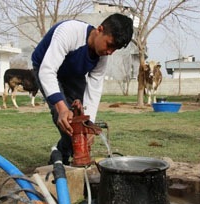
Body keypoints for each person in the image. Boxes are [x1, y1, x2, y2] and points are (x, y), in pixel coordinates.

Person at [31, 13, 133, 164]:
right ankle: (61, 161)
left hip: (73, 74)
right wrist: (61, 108)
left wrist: (89, 124)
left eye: (115, 49)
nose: (110, 52)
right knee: (66, 119)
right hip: (45, 68)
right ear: (100, 30)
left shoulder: (102, 56)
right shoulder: (69, 32)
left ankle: (59, 154)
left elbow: (95, 88)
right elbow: (47, 71)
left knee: (80, 122)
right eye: (109, 45)